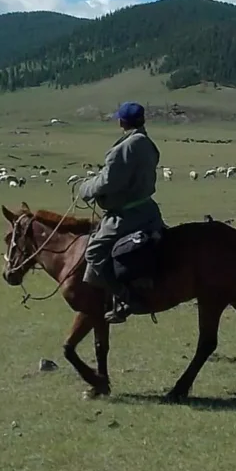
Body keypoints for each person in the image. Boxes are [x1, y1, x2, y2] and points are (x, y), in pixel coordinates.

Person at [76, 101, 164, 320]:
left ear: (122, 122)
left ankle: (126, 298)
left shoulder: (125, 148)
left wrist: (85, 188)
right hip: (149, 211)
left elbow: (108, 182)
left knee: (94, 252)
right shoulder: (148, 144)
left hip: (127, 215)